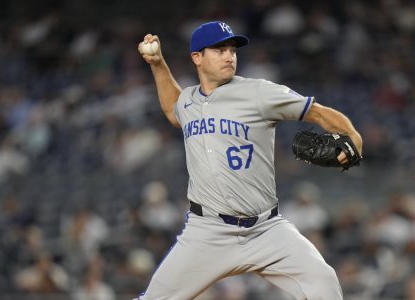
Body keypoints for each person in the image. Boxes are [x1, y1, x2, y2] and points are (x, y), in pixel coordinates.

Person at [135, 21, 363, 300]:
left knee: (324, 283)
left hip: (265, 229)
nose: (229, 56)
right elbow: (173, 109)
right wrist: (158, 64)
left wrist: (351, 133)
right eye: (219, 50)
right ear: (197, 57)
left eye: (232, 49)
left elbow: (315, 112)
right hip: (207, 232)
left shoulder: (258, 92)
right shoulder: (189, 101)